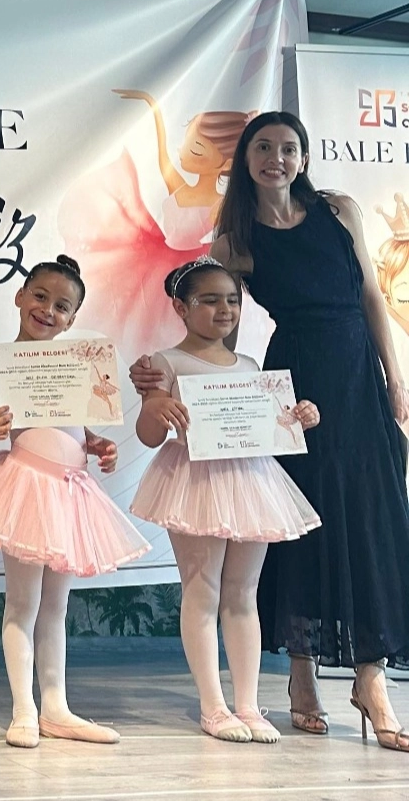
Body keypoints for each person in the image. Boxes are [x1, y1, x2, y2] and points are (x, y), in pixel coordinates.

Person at [131, 112, 409, 751]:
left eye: (287, 147)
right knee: (295, 524)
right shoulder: (234, 239)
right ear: (245, 159)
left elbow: (371, 297)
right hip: (292, 379)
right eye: (263, 147)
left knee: (367, 520)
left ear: (303, 157)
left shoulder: (340, 211)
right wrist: (171, 379)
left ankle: (371, 679)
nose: (275, 158)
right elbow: (213, 323)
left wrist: (394, 376)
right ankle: (301, 674)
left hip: (357, 378)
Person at [0, 256, 148, 748]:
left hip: (70, 490)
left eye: (61, 306)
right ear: (19, 296)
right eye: (40, 296)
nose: (47, 310)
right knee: (23, 603)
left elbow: (72, 424)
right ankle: (24, 709)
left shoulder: (75, 365)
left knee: (56, 607)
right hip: (26, 486)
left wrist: (97, 443)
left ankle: (56, 707)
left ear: (72, 320)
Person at [132, 257, 319, 743]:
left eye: (233, 300)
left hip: (250, 481)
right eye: (210, 300)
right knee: (202, 589)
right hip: (195, 482)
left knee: (242, 594)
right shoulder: (165, 363)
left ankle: (248, 705)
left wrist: (298, 416)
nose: (225, 310)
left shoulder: (250, 366)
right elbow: (148, 434)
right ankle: (213, 706)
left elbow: (268, 426)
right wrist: (158, 408)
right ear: (181, 307)